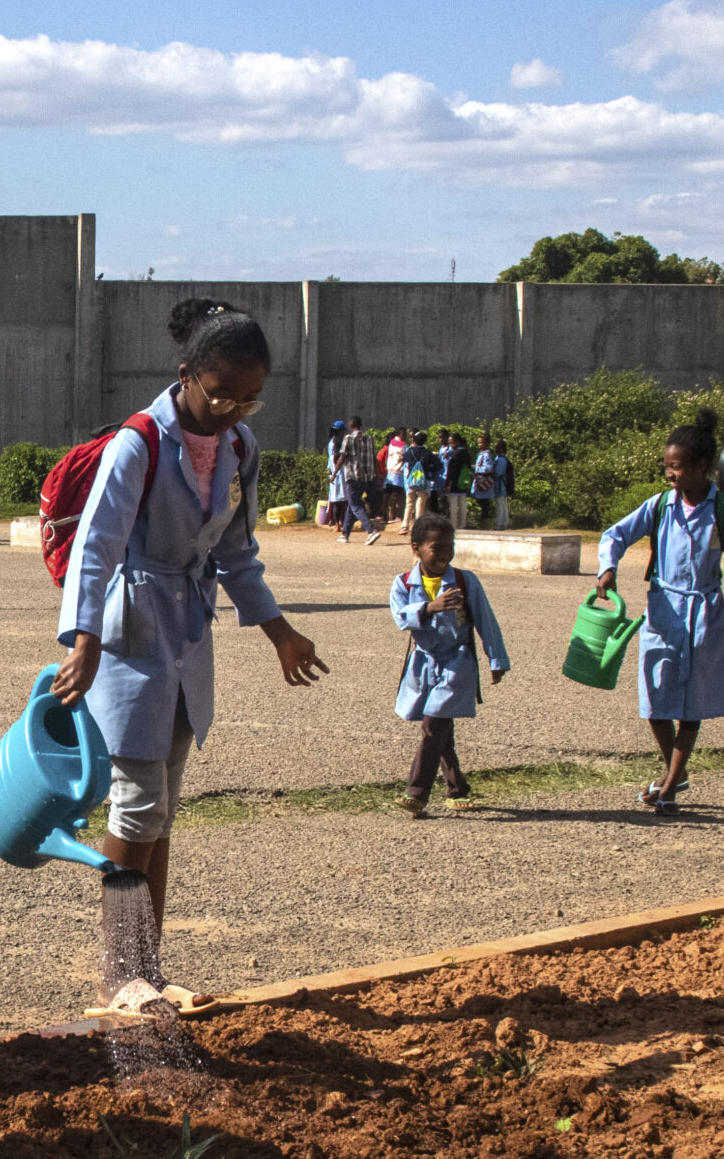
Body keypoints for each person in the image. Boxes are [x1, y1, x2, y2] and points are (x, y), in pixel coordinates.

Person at [51, 298, 326, 997]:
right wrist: (81, 641)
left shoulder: (239, 449)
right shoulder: (139, 442)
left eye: (251, 400)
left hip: (187, 636)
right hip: (131, 636)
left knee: (161, 812)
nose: (235, 410)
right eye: (223, 395)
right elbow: (96, 547)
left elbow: (237, 554)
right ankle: (122, 977)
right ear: (187, 375)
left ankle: (149, 970)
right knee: (137, 804)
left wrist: (279, 632)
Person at [595, 407, 724, 814]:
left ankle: (671, 785)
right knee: (655, 700)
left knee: (691, 705)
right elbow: (615, 534)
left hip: (704, 614)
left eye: (676, 468)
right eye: (666, 468)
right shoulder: (659, 505)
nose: (670, 475)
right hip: (662, 611)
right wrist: (608, 567)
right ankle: (673, 772)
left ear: (700, 466)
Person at [391, 513, 508, 818]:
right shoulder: (403, 583)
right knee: (441, 727)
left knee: (434, 723)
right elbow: (401, 617)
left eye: (450, 547)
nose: (445, 555)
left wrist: (496, 659)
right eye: (436, 549)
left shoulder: (465, 581)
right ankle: (457, 788)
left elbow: (486, 620)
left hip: (457, 662)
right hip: (423, 662)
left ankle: (416, 792)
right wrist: (430, 607)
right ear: (416, 548)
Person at [334, 419, 386, 544]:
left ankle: (371, 531)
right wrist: (378, 477)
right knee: (352, 505)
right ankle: (345, 534)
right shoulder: (369, 439)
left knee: (355, 505)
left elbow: (342, 457)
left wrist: (334, 473)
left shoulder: (348, 438)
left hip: (352, 477)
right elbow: (374, 460)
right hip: (365, 478)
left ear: (351, 426)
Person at [467, 437, 509, 531]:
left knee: (499, 505)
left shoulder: (498, 459)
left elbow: (493, 471)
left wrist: (477, 469)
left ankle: (499, 525)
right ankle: (502, 524)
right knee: (501, 505)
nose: (496, 450)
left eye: (498, 448)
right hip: (498, 485)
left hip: (499, 485)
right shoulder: (496, 457)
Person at [400, 435, 439, 535]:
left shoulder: (409, 452)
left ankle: (405, 525)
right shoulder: (427, 453)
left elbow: (404, 462)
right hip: (423, 479)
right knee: (421, 501)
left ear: (414, 441)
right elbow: (438, 465)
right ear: (424, 441)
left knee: (409, 502)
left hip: (411, 479)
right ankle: (418, 526)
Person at [435, 428, 471, 527]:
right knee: (463, 504)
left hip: (455, 483)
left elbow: (452, 471)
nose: (450, 445)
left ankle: (454, 525)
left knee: (454, 506)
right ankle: (462, 524)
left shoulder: (456, 454)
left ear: (457, 442)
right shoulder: (466, 453)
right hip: (464, 482)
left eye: (452, 442)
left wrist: (449, 484)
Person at [382, 429, 408, 531]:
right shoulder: (402, 446)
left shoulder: (391, 444)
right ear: (400, 434)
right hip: (398, 472)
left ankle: (385, 516)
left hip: (390, 471)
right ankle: (393, 516)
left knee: (387, 494)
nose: (405, 436)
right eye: (404, 434)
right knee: (395, 495)